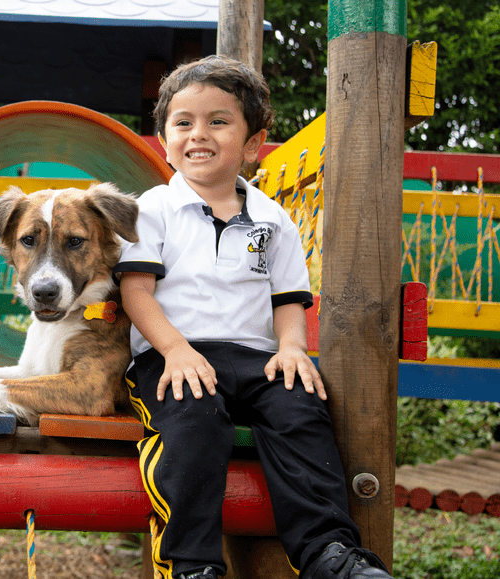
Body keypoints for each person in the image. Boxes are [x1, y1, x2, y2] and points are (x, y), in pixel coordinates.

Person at [115, 55, 396, 579]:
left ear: (251, 143)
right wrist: (176, 350)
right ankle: (194, 564)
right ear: (164, 139)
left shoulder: (273, 218)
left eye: (218, 121)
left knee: (301, 407)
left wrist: (291, 348)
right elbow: (137, 293)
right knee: (194, 414)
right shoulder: (151, 209)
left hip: (255, 358)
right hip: (171, 355)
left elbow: (286, 300)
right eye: (183, 123)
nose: (199, 134)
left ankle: (327, 552)